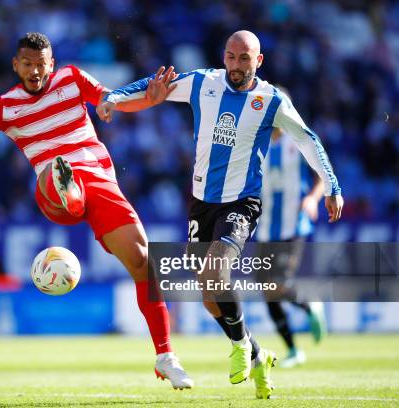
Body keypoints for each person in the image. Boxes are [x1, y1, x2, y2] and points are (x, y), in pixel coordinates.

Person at [0, 32, 193, 389]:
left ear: (52, 64)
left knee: (141, 260)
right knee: (57, 174)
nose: (35, 70)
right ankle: (65, 184)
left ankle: (166, 356)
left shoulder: (72, 78)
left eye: (41, 64)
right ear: (16, 64)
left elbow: (110, 100)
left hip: (100, 182)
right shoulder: (6, 107)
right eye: (27, 63)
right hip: (51, 191)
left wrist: (144, 101)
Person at [97, 30, 343, 399]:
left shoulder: (271, 100)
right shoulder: (203, 83)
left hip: (242, 202)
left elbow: (308, 139)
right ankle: (257, 353)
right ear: (224, 55)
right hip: (201, 203)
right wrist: (114, 97)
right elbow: (157, 83)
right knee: (209, 295)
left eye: (245, 59)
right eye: (231, 56)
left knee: (216, 271)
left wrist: (333, 186)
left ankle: (241, 346)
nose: (236, 65)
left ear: (258, 61)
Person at [255, 113, 328, 368]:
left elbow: (323, 173)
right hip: (264, 230)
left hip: (293, 225)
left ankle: (310, 304)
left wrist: (312, 198)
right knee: (267, 291)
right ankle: (294, 349)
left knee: (277, 283)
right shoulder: (254, 140)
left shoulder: (299, 140)